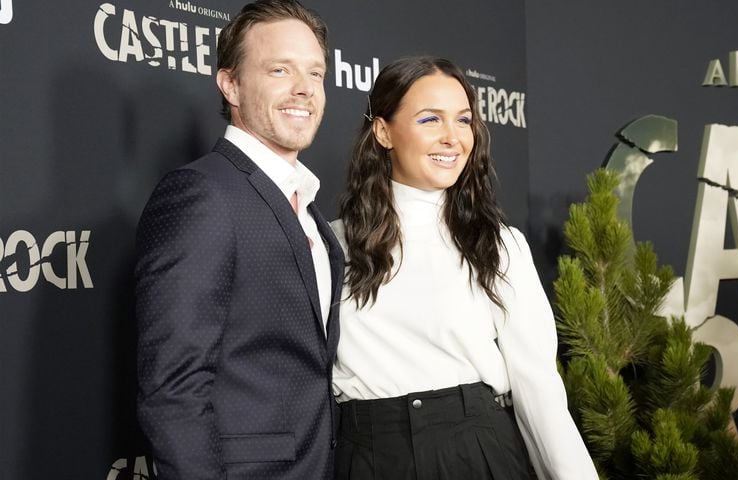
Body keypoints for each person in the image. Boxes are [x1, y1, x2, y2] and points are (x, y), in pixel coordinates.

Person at [331, 56, 598, 479]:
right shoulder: (328, 244)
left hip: (478, 453)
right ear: (383, 131)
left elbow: (539, 387)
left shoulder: (499, 245)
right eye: (430, 120)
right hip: (368, 456)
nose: (453, 138)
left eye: (463, 120)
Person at [134, 1, 343, 478]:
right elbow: (173, 387)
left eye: (315, 73)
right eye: (279, 69)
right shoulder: (202, 194)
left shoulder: (309, 207)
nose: (304, 89)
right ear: (230, 84)